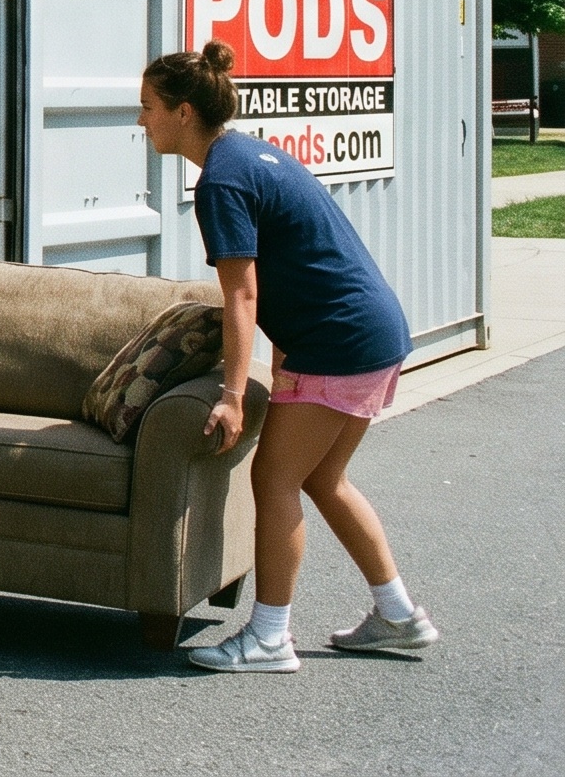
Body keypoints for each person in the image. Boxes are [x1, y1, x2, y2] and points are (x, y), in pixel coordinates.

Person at [137, 42, 434, 674]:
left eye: (148, 107)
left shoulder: (222, 179)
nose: (142, 120)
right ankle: (400, 617)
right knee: (323, 479)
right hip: (368, 332)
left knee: (274, 479)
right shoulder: (246, 155)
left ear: (183, 112)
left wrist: (233, 393)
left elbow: (242, 295)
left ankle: (270, 636)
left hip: (342, 342)